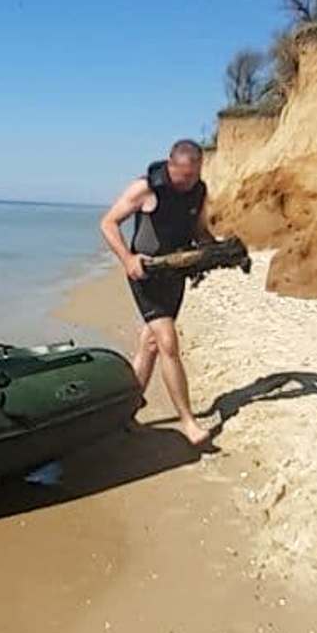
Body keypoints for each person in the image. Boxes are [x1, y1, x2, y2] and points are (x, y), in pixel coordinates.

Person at [99, 139, 215, 445]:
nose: (187, 182)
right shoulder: (146, 187)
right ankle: (188, 423)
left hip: (174, 272)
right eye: (182, 176)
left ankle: (124, 414)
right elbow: (108, 223)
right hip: (144, 273)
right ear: (170, 164)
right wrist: (127, 259)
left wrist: (215, 252)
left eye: (193, 175)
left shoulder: (200, 191)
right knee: (167, 341)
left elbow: (199, 230)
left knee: (150, 344)